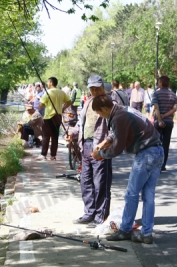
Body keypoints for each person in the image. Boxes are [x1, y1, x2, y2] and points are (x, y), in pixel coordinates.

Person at [89, 94, 163, 244]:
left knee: (131, 194)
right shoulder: (123, 110)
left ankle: (125, 230)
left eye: (99, 113)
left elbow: (117, 149)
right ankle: (146, 233)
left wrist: (100, 154)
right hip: (158, 151)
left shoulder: (118, 117)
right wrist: (105, 142)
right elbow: (116, 134)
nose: (100, 116)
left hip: (146, 153)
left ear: (104, 108)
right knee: (148, 195)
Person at [66, 75, 112, 228]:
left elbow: (115, 128)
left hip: (101, 147)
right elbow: (80, 124)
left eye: (97, 88)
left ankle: (100, 216)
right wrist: (72, 133)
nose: (95, 91)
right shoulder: (88, 102)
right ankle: (89, 213)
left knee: (100, 183)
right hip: (85, 145)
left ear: (103, 87)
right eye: (92, 88)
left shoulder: (110, 102)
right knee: (85, 181)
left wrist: (104, 145)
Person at [36, 77, 71, 161]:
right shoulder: (61, 92)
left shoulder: (48, 92)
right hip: (58, 116)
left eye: (48, 82)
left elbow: (41, 104)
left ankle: (43, 155)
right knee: (55, 137)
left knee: (46, 136)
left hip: (48, 117)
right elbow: (69, 101)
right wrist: (62, 109)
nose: (47, 84)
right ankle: (53, 156)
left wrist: (39, 106)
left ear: (51, 83)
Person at [151, 76, 177, 172]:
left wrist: (159, 119)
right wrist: (165, 116)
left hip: (159, 122)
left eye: (158, 82)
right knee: (166, 144)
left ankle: (155, 164)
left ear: (161, 83)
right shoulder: (173, 95)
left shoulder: (156, 93)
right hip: (169, 121)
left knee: (156, 143)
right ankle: (163, 165)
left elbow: (156, 107)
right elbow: (174, 109)